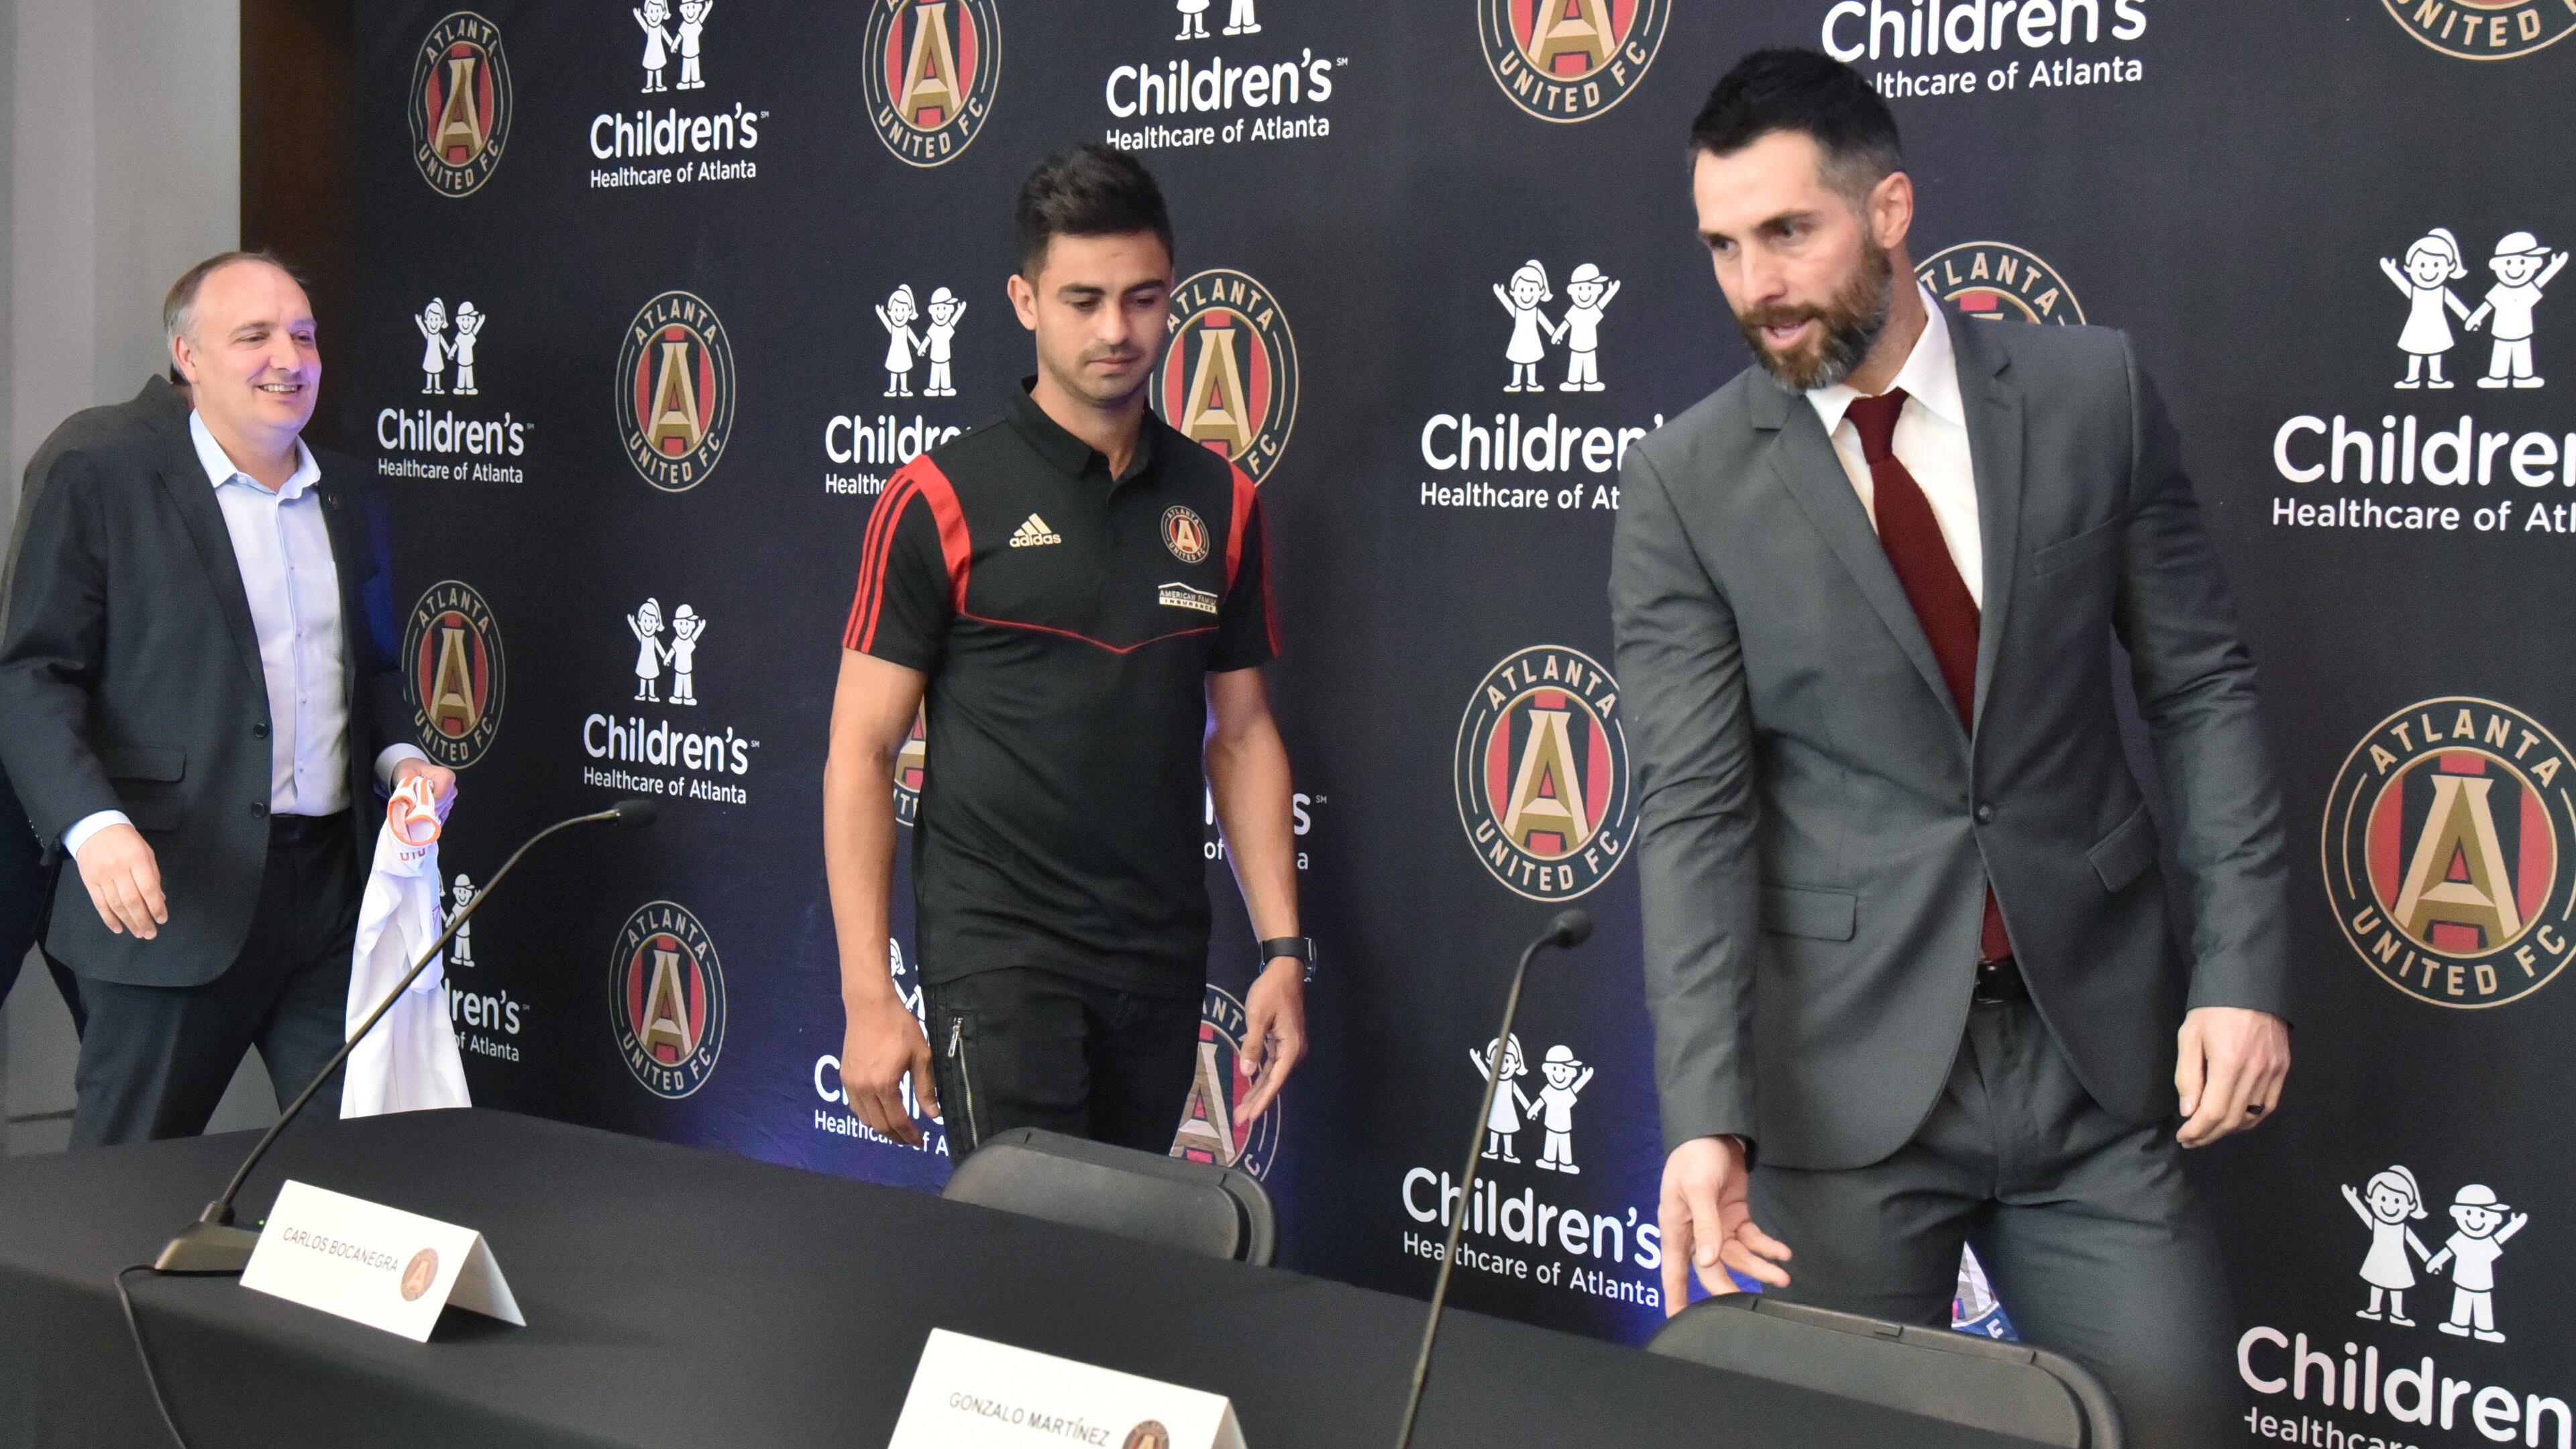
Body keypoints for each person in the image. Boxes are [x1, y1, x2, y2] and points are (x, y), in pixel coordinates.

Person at [1609, 52, 2289, 1449]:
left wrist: (2239, 975)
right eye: (1723, 247)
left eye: (1788, 232)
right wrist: (1704, 1117)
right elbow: (1690, 814)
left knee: (2178, 1428)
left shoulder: (2090, 394)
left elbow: (2202, 688)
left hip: (2094, 1060)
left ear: (1893, 206)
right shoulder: (1684, 485)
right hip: (1839, 1087)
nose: (1756, 286)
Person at [824, 144, 1307, 1155]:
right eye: (1083, 299)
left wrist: (1280, 950)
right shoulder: (940, 500)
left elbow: (1244, 735)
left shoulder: (1222, 501)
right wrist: (871, 995)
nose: (1116, 331)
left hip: (1160, 956)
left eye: (1141, 299)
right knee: (1023, 1269)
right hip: (1000, 952)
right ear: (1024, 300)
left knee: (1124, 1272)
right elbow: (863, 753)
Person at [0, 250, 454, 1147]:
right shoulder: (99, 466)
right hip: (170, 898)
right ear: (188, 357)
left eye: (303, 335)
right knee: (119, 1192)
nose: (288, 358)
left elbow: (370, 672)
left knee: (374, 1177)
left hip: (331, 903)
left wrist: (404, 762)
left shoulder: (349, 491)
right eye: (253, 336)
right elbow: (29, 673)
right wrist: (94, 827)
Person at [0, 375, 192, 1034]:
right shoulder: (89, 456)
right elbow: (30, 669)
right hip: (37, 798)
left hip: (130, 825)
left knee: (128, 1069)